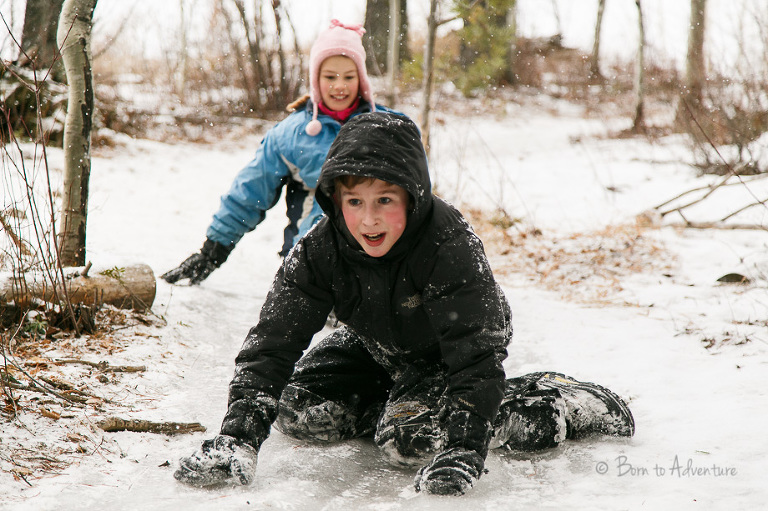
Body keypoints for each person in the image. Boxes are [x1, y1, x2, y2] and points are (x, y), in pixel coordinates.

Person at [173, 112, 635, 496]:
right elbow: (273, 342)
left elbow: (474, 355)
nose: (368, 219)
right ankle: (404, 405)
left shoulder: (447, 243)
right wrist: (237, 439)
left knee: (409, 442)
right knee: (299, 410)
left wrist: (462, 447)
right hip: (376, 341)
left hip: (445, 348)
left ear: (412, 196)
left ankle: (553, 399)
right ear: (335, 200)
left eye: (385, 200)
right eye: (354, 201)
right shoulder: (322, 248)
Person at [162, 19, 397, 285]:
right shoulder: (292, 135)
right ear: (316, 80)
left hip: (376, 254)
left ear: (362, 80)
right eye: (330, 77)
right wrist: (212, 252)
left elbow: (416, 194)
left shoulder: (385, 127)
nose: (340, 85)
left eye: (349, 77)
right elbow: (250, 191)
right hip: (310, 258)